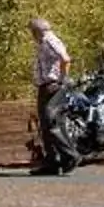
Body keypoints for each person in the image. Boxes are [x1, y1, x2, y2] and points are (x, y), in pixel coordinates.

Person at [29, 17, 75, 174]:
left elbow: (65, 59)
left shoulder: (49, 40)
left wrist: (63, 80)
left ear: (36, 31)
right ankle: (52, 162)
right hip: (45, 86)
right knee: (45, 123)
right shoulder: (45, 42)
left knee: (50, 120)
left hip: (52, 86)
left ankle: (69, 155)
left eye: (32, 32)